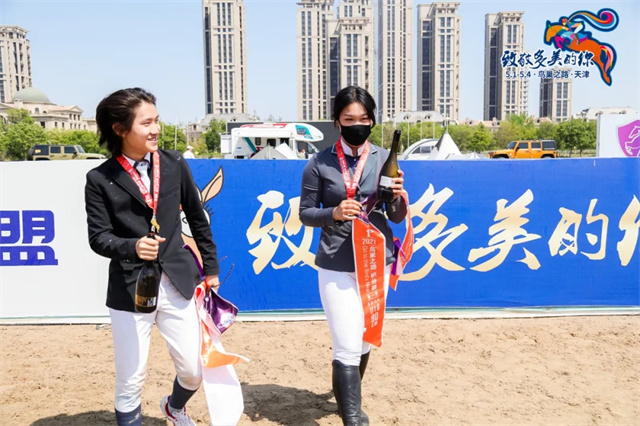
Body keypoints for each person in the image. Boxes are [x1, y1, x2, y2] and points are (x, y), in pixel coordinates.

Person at [85, 88, 221, 426]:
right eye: (146, 123)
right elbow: (99, 238)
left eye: (156, 120)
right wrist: (132, 247)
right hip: (130, 288)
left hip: (177, 282)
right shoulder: (99, 179)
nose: (156, 129)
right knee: (130, 379)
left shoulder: (174, 163)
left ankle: (174, 407)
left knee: (193, 370)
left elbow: (197, 218)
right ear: (120, 129)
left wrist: (211, 268)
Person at [299, 86, 407, 426]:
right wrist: (333, 212)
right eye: (349, 119)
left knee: (363, 339)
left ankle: (348, 402)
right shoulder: (318, 163)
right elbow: (305, 213)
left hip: (375, 260)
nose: (357, 125)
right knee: (346, 343)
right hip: (336, 262)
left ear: (372, 121)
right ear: (337, 122)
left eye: (363, 119)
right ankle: (353, 418)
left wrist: (397, 197)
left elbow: (397, 217)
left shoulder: (384, 158)